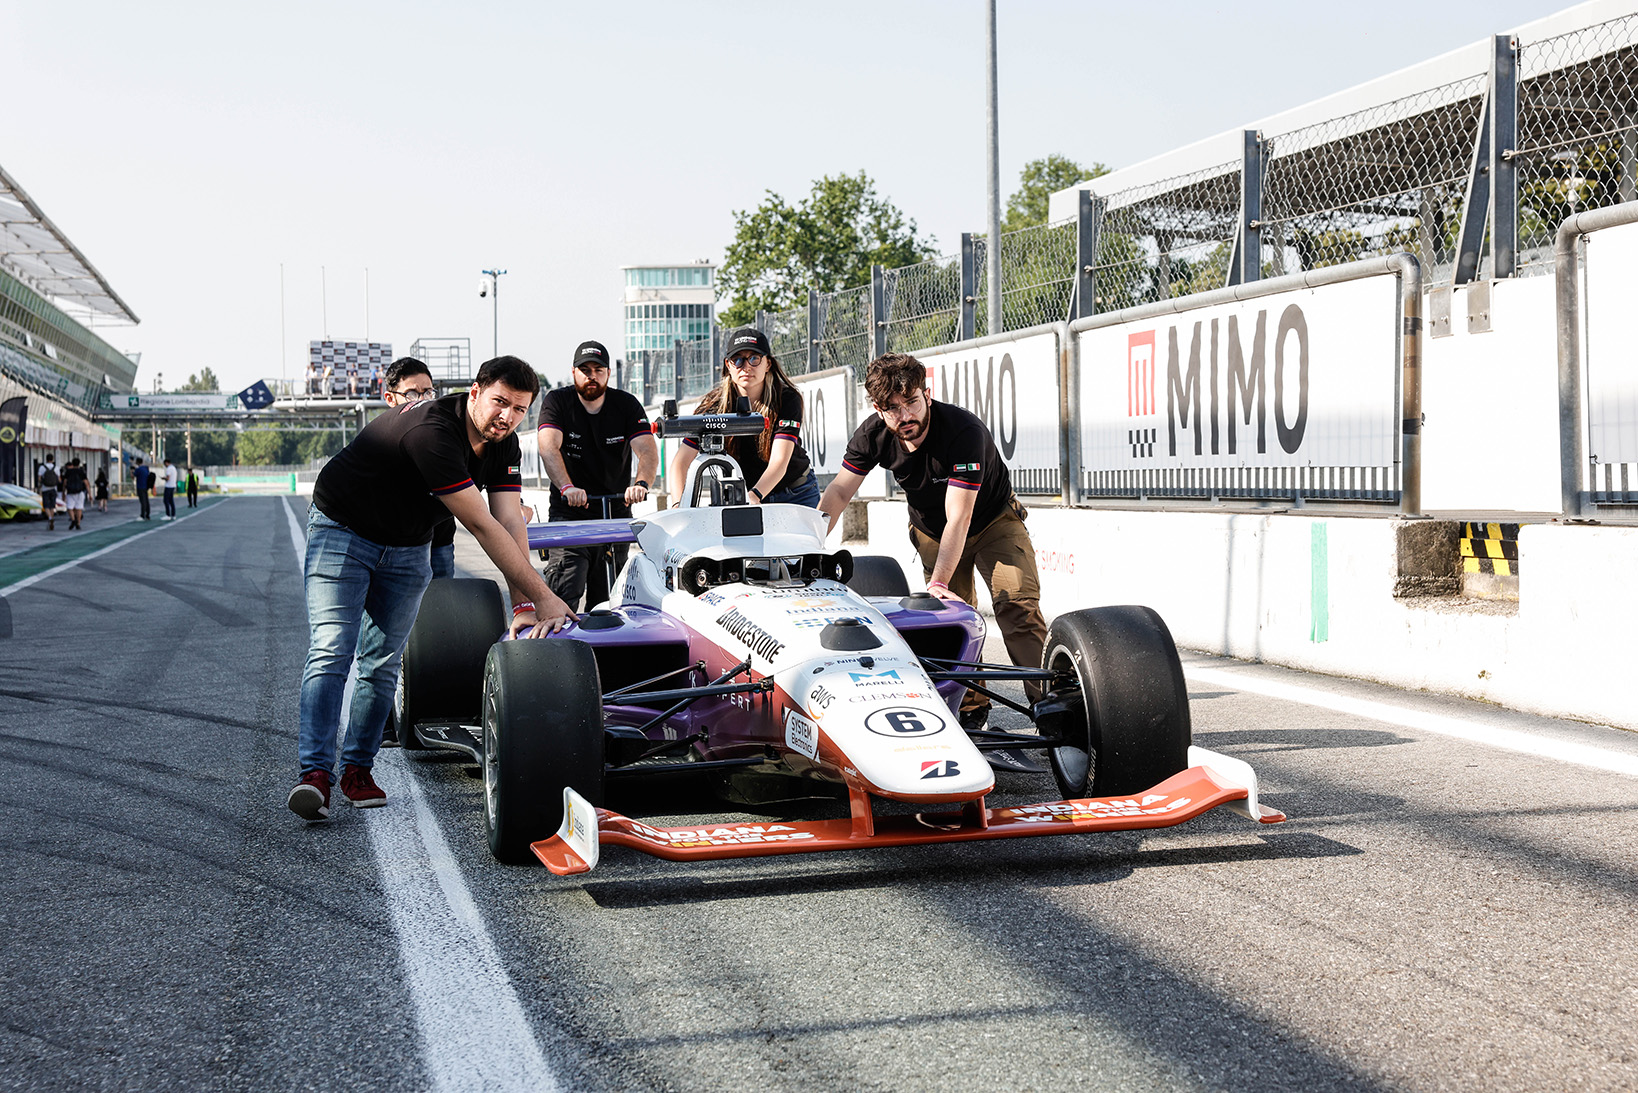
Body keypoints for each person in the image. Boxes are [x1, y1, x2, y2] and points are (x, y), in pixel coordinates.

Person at [287, 355, 577, 822]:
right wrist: (544, 593)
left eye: (520, 409)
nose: (507, 416)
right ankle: (315, 775)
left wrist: (524, 600)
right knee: (332, 649)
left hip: (406, 545)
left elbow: (508, 518)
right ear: (475, 392)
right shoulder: (434, 430)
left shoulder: (503, 445)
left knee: (381, 662)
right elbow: (481, 525)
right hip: (344, 530)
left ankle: (357, 769)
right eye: (500, 402)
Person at [817, 352, 1049, 731]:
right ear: (878, 409)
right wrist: (807, 546)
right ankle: (970, 708)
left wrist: (938, 581)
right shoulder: (871, 434)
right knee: (951, 620)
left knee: (1016, 607)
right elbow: (839, 493)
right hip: (931, 530)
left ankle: (1050, 702)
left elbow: (961, 515)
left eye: (911, 402)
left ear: (927, 393)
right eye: (893, 408)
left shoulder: (963, 432)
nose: (905, 416)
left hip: (992, 521)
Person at [538, 340, 658, 611]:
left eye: (598, 369)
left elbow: (647, 451)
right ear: (574, 372)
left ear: (608, 373)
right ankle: (559, 649)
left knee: (609, 601)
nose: (591, 376)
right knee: (566, 588)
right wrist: (567, 487)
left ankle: (604, 652)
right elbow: (548, 446)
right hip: (570, 514)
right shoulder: (558, 401)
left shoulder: (626, 404)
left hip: (614, 515)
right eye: (585, 369)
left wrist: (641, 484)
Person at [667, 327, 818, 507]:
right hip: (742, 496)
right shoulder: (713, 405)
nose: (746, 367)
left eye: (754, 358)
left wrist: (754, 495)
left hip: (794, 493)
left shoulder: (787, 398)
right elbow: (680, 462)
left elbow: (780, 460)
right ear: (728, 365)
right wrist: (678, 506)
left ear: (768, 364)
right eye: (737, 360)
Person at [61, 458, 88, 530]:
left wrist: (63, 492)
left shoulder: (68, 472)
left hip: (70, 492)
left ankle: (73, 520)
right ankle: (78, 523)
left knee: (69, 507)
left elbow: (64, 483)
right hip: (80, 492)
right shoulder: (81, 471)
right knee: (79, 508)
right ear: (79, 464)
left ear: (72, 464)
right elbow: (86, 483)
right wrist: (90, 493)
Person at [36, 455, 59, 531]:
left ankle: (49, 518)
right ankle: (52, 518)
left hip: (45, 489)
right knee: (52, 506)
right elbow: (59, 479)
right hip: (53, 488)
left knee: (46, 506)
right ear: (53, 459)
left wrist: (41, 484)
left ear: (46, 459)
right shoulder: (56, 468)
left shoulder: (42, 468)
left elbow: (39, 478)